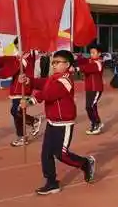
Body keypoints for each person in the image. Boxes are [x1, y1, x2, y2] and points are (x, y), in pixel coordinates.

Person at [22, 50, 96, 194]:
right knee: (46, 154)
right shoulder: (54, 77)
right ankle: (52, 182)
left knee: (61, 154)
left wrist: (31, 101)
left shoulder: (65, 80)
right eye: (53, 62)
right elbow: (43, 83)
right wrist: (29, 80)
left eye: (57, 62)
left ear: (67, 64)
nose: (54, 65)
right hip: (52, 121)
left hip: (64, 122)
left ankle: (85, 163)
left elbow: (49, 94)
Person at [0, 38, 44, 146]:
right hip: (16, 87)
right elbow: (9, 60)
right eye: (17, 46)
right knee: (16, 112)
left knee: (17, 111)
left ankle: (26, 131)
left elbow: (14, 67)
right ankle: (28, 127)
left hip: (23, 87)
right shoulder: (20, 56)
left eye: (19, 46)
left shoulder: (28, 56)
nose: (18, 48)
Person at [76, 44, 105, 135]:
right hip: (89, 88)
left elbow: (89, 68)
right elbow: (83, 60)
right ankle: (97, 123)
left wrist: (78, 68)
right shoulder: (90, 60)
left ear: (99, 53)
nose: (91, 54)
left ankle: (96, 123)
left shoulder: (99, 63)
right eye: (90, 53)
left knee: (90, 106)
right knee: (92, 106)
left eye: (93, 53)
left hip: (96, 88)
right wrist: (76, 57)